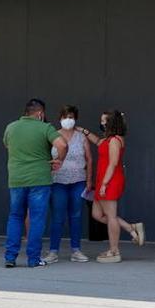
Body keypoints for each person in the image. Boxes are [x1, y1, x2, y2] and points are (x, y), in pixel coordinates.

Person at [3, 98, 67, 268]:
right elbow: (62, 144)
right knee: (37, 218)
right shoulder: (45, 127)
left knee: (15, 216)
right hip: (39, 179)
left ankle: (10, 257)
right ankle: (33, 259)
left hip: (16, 179)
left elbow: (8, 147)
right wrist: (59, 160)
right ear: (40, 113)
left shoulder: (11, 127)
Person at [89, 110, 145, 263]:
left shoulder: (114, 140)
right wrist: (84, 132)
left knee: (111, 216)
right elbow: (97, 141)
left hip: (110, 180)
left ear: (111, 123)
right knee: (97, 214)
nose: (101, 124)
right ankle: (130, 228)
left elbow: (113, 163)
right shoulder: (107, 139)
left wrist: (105, 183)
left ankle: (114, 251)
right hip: (103, 179)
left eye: (104, 121)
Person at [44, 105, 92, 264]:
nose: (68, 120)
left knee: (76, 216)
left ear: (75, 119)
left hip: (78, 180)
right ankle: (53, 252)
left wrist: (90, 180)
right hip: (58, 181)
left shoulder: (81, 137)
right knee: (57, 217)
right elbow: (44, 157)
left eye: (71, 117)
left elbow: (89, 159)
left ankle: (76, 250)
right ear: (60, 119)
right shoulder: (54, 135)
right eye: (65, 117)